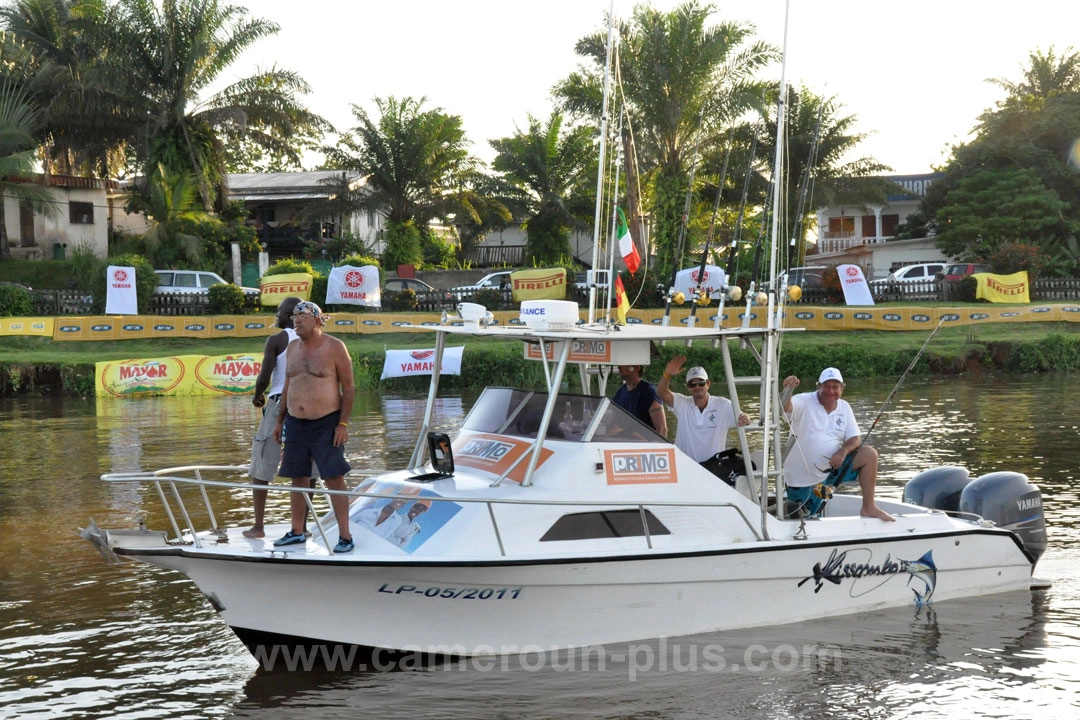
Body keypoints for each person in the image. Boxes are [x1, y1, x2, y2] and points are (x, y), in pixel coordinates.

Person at [272, 301, 358, 552]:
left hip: (327, 423)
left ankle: (345, 535)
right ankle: (297, 531)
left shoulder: (335, 347)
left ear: (318, 320)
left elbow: (349, 387)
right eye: (294, 316)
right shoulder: (291, 348)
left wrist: (343, 423)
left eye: (302, 316)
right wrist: (280, 420)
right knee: (297, 477)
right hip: (295, 424)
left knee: (334, 478)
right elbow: (289, 384)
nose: (296, 320)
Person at [243, 296, 318, 539]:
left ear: (287, 315)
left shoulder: (277, 340)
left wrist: (257, 396)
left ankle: (258, 526)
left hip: (278, 403)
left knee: (262, 463)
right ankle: (303, 526)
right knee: (308, 467)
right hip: (309, 406)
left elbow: (265, 375)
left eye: (278, 311)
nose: (276, 315)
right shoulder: (315, 339)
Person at [782, 368, 894, 521]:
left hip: (831, 472)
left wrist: (843, 452)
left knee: (869, 454)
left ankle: (869, 507)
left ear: (842, 389)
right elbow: (784, 408)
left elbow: (855, 438)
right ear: (818, 386)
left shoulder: (844, 407)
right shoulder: (804, 400)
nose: (831, 391)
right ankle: (817, 508)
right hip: (802, 480)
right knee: (804, 517)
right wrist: (788, 390)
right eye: (826, 386)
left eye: (835, 387)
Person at [657, 355, 750, 463]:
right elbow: (661, 393)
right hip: (684, 466)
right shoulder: (682, 403)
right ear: (687, 387)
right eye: (692, 384)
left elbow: (742, 418)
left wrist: (745, 418)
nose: (697, 387)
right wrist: (667, 375)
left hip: (713, 469)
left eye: (701, 383)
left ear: (708, 384)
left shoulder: (723, 405)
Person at [612, 365, 668, 436]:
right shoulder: (620, 392)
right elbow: (612, 420)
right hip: (622, 442)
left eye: (624, 365)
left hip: (643, 443)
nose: (619, 367)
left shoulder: (649, 392)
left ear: (637, 367)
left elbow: (662, 429)